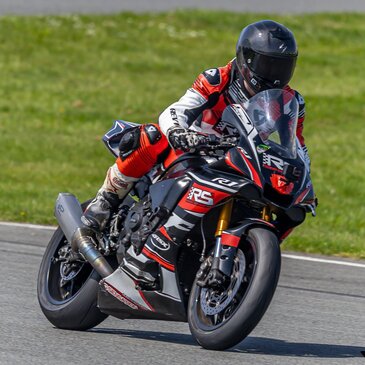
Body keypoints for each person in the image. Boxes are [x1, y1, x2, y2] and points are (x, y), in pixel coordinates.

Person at [79, 19, 310, 243]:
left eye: (282, 66)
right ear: (246, 59)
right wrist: (180, 133)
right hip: (192, 151)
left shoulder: (290, 103)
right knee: (151, 136)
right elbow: (176, 110)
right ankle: (104, 202)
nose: (274, 75)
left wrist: (304, 181)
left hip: (240, 161)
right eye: (268, 65)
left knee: (287, 201)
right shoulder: (218, 79)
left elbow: (297, 147)